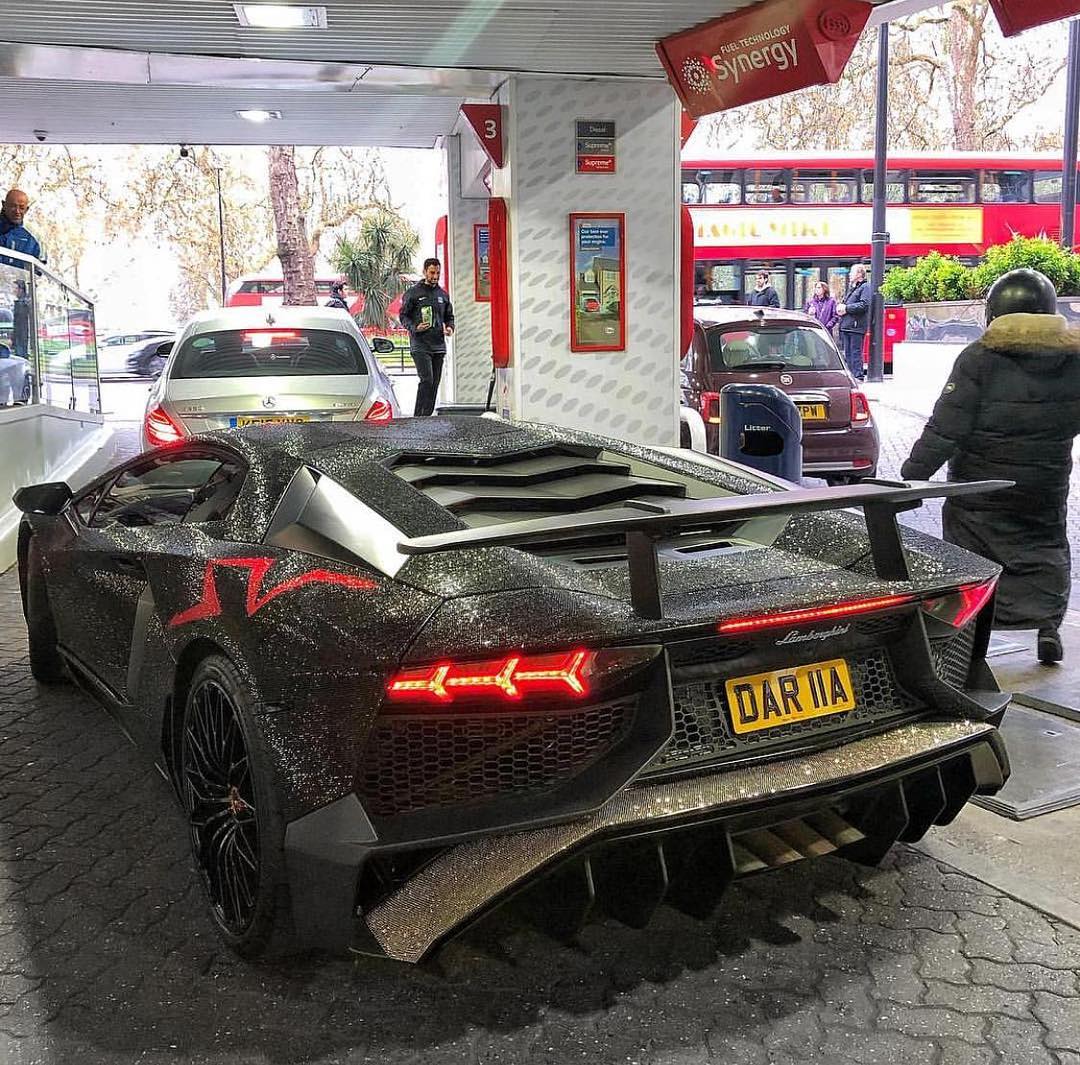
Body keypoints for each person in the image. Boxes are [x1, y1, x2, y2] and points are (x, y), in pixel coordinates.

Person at [900, 268, 1080, 665]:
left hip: (980, 489)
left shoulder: (980, 358)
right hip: (1044, 486)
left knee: (975, 559)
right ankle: (1048, 626)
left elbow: (948, 424)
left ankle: (974, 638)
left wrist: (914, 471)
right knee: (1046, 548)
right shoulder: (1072, 360)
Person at [399, 258, 454, 417]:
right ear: (424, 272)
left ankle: (428, 417)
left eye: (437, 273)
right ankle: (419, 416)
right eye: (432, 272)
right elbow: (403, 316)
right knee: (427, 380)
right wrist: (415, 328)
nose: (435, 276)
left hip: (439, 346)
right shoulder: (413, 293)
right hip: (420, 345)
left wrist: (450, 327)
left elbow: (449, 316)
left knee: (435, 383)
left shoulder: (443, 295)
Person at [836, 264, 870, 379]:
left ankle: (858, 376)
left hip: (856, 326)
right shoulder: (853, 288)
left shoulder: (865, 287)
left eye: (852, 272)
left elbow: (864, 305)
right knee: (848, 353)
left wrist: (846, 308)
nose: (849, 275)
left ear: (859, 274)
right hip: (847, 325)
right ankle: (851, 376)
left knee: (855, 353)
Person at [0, 189, 44, 264]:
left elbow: (40, 268)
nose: (17, 211)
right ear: (4, 205)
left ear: (26, 210)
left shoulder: (33, 239)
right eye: (13, 206)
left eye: (21, 208)